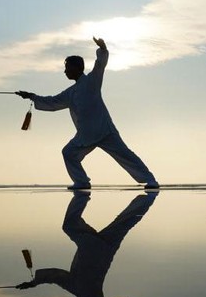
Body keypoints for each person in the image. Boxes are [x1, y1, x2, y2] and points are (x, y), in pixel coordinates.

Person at [15, 37, 159, 190]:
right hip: (86, 135)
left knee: (126, 155)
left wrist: (103, 48)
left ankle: (150, 180)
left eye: (68, 68)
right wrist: (31, 95)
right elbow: (53, 102)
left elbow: (100, 64)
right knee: (68, 153)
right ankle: (82, 181)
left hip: (105, 130)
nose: (65, 71)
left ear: (77, 68)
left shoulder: (92, 80)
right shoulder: (70, 93)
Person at [15, 192, 157, 297]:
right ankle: (82, 194)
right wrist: (33, 283)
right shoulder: (74, 286)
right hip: (90, 245)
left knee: (125, 222)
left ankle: (149, 197)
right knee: (69, 225)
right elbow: (54, 275)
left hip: (106, 249)